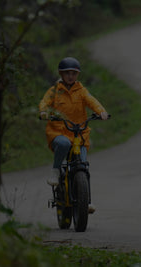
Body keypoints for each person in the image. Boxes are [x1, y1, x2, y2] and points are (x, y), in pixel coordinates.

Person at [39, 57, 109, 189]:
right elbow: (45, 102)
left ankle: (85, 200)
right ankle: (56, 170)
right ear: (61, 74)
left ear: (77, 75)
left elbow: (91, 100)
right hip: (59, 131)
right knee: (64, 144)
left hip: (79, 133)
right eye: (67, 73)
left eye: (74, 73)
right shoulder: (54, 90)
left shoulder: (81, 91)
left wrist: (101, 111)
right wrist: (44, 112)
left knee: (83, 166)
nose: (70, 76)